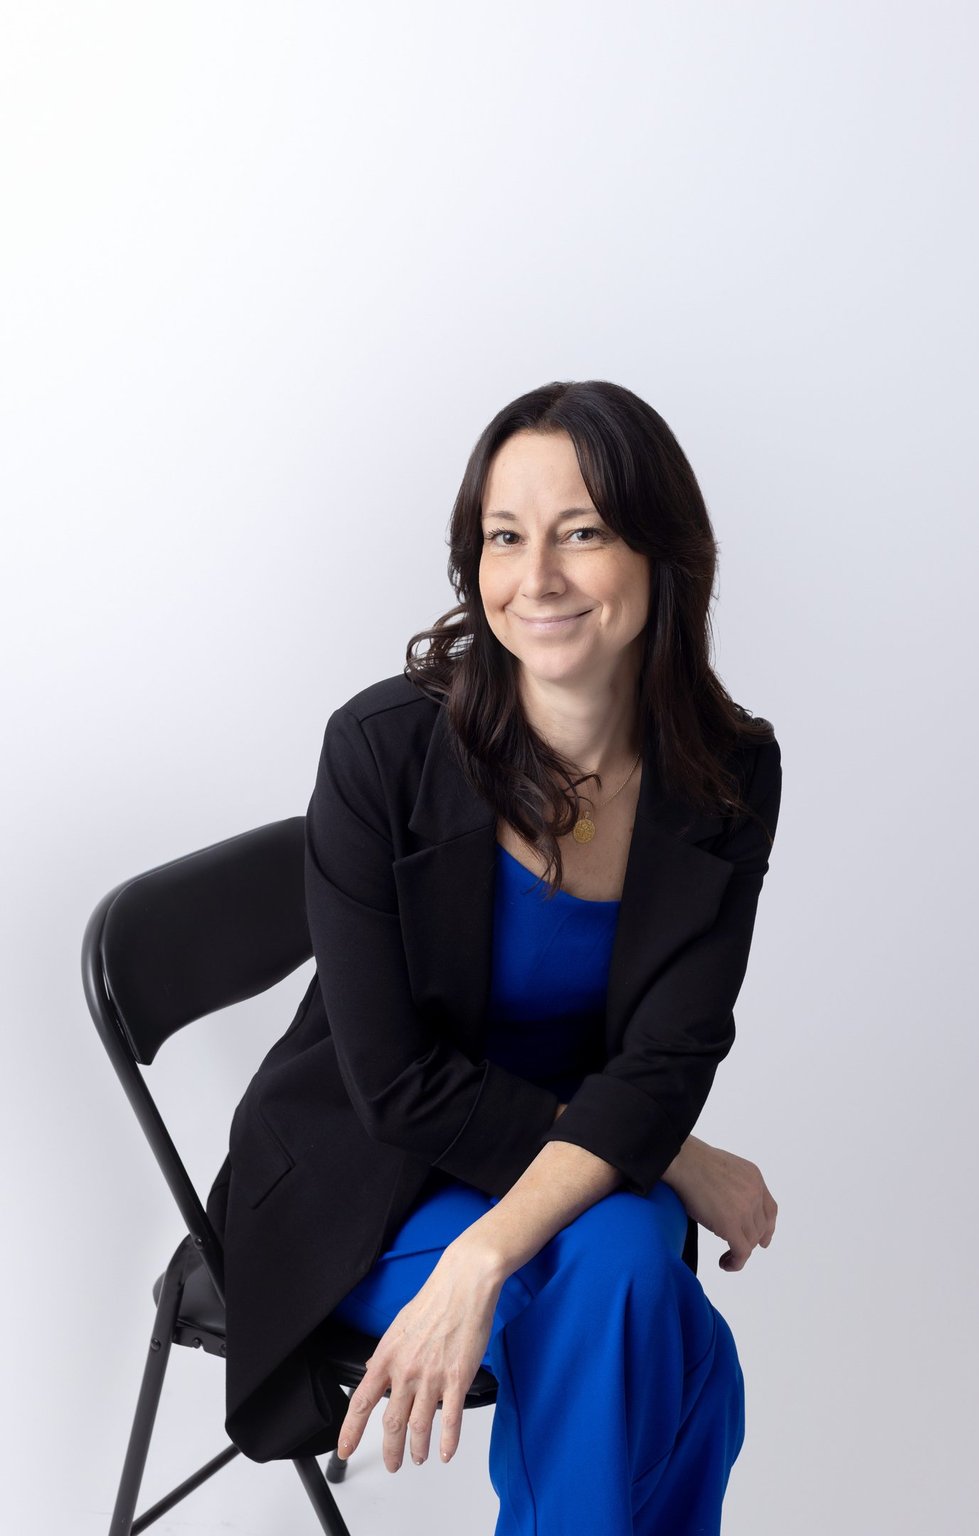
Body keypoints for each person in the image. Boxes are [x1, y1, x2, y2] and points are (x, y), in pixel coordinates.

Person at [207, 379, 784, 1535]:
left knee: (623, 1275)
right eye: (504, 539)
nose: (539, 579)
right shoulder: (383, 750)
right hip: (361, 1183)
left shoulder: (726, 774)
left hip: (562, 1187)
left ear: (662, 555)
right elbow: (398, 1083)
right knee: (643, 1303)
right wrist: (658, 1153)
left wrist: (487, 1253)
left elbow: (671, 1054)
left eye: (583, 532)